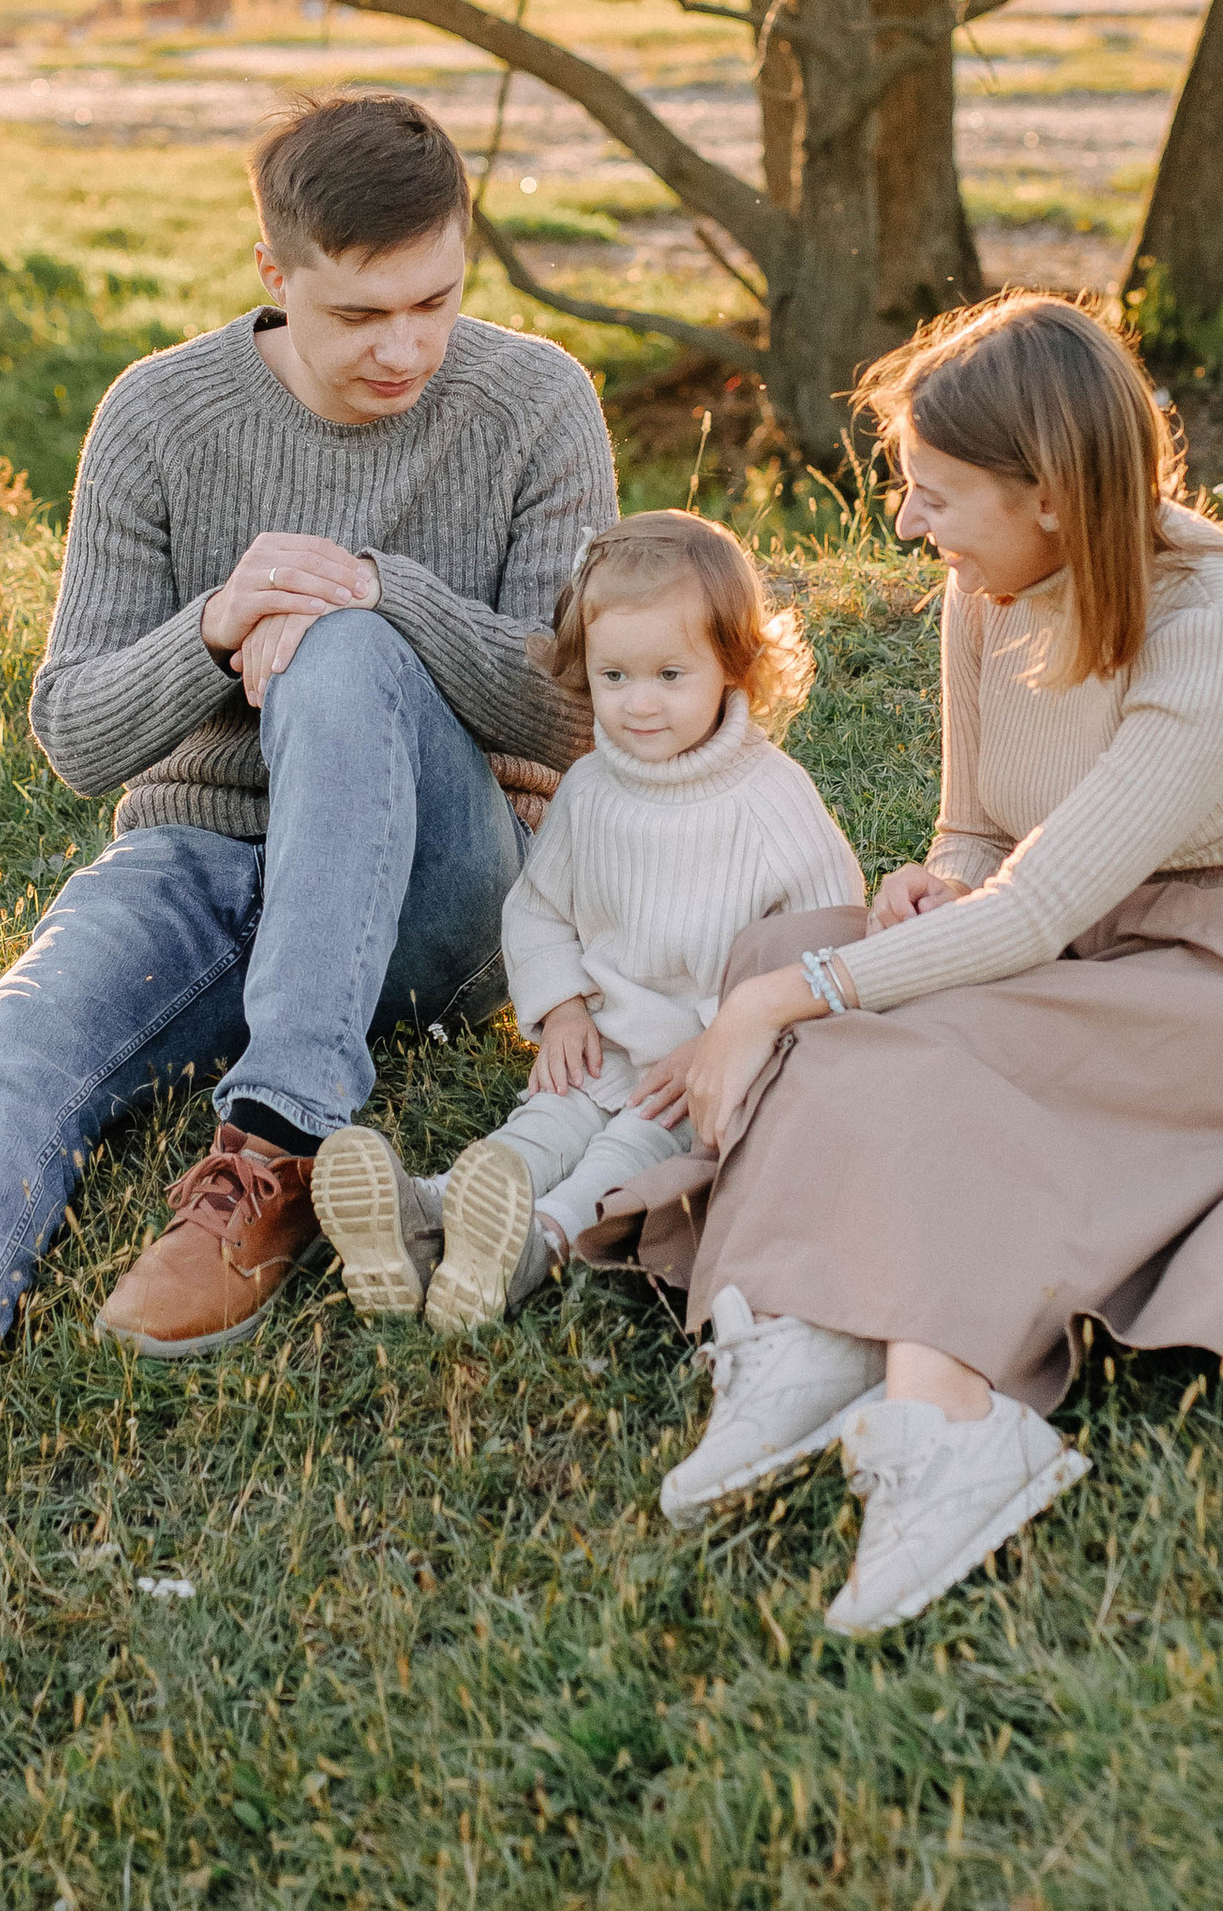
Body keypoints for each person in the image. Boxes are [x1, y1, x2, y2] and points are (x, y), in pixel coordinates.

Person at [0, 89, 615, 1535]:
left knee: (342, 641)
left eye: (436, 298)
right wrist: (216, 624)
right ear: (273, 277)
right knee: (18, 1053)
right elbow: (75, 735)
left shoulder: (535, 402)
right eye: (359, 313)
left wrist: (367, 599)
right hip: (200, 857)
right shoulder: (158, 414)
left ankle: (277, 1144)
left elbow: (580, 710)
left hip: (439, 886)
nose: (406, 346)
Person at [655, 292, 1223, 1640]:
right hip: (1065, 926)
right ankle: (813, 1326)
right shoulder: (983, 582)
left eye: (939, 494)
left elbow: (1039, 906)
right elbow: (985, 833)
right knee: (793, 952)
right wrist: (930, 883)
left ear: (1056, 497)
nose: (910, 523)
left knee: (894, 1026)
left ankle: (949, 1419)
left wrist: (798, 998)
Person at [311, 512, 863, 1333]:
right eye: (614, 677)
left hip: (701, 1071)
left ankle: (536, 1241)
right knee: (542, 1125)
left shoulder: (769, 800)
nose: (638, 705)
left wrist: (720, 1036)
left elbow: (828, 936)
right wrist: (563, 1005)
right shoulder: (590, 790)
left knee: (625, 1153)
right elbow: (539, 909)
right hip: (604, 1044)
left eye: (670, 676)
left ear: (733, 666)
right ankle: (426, 1210)